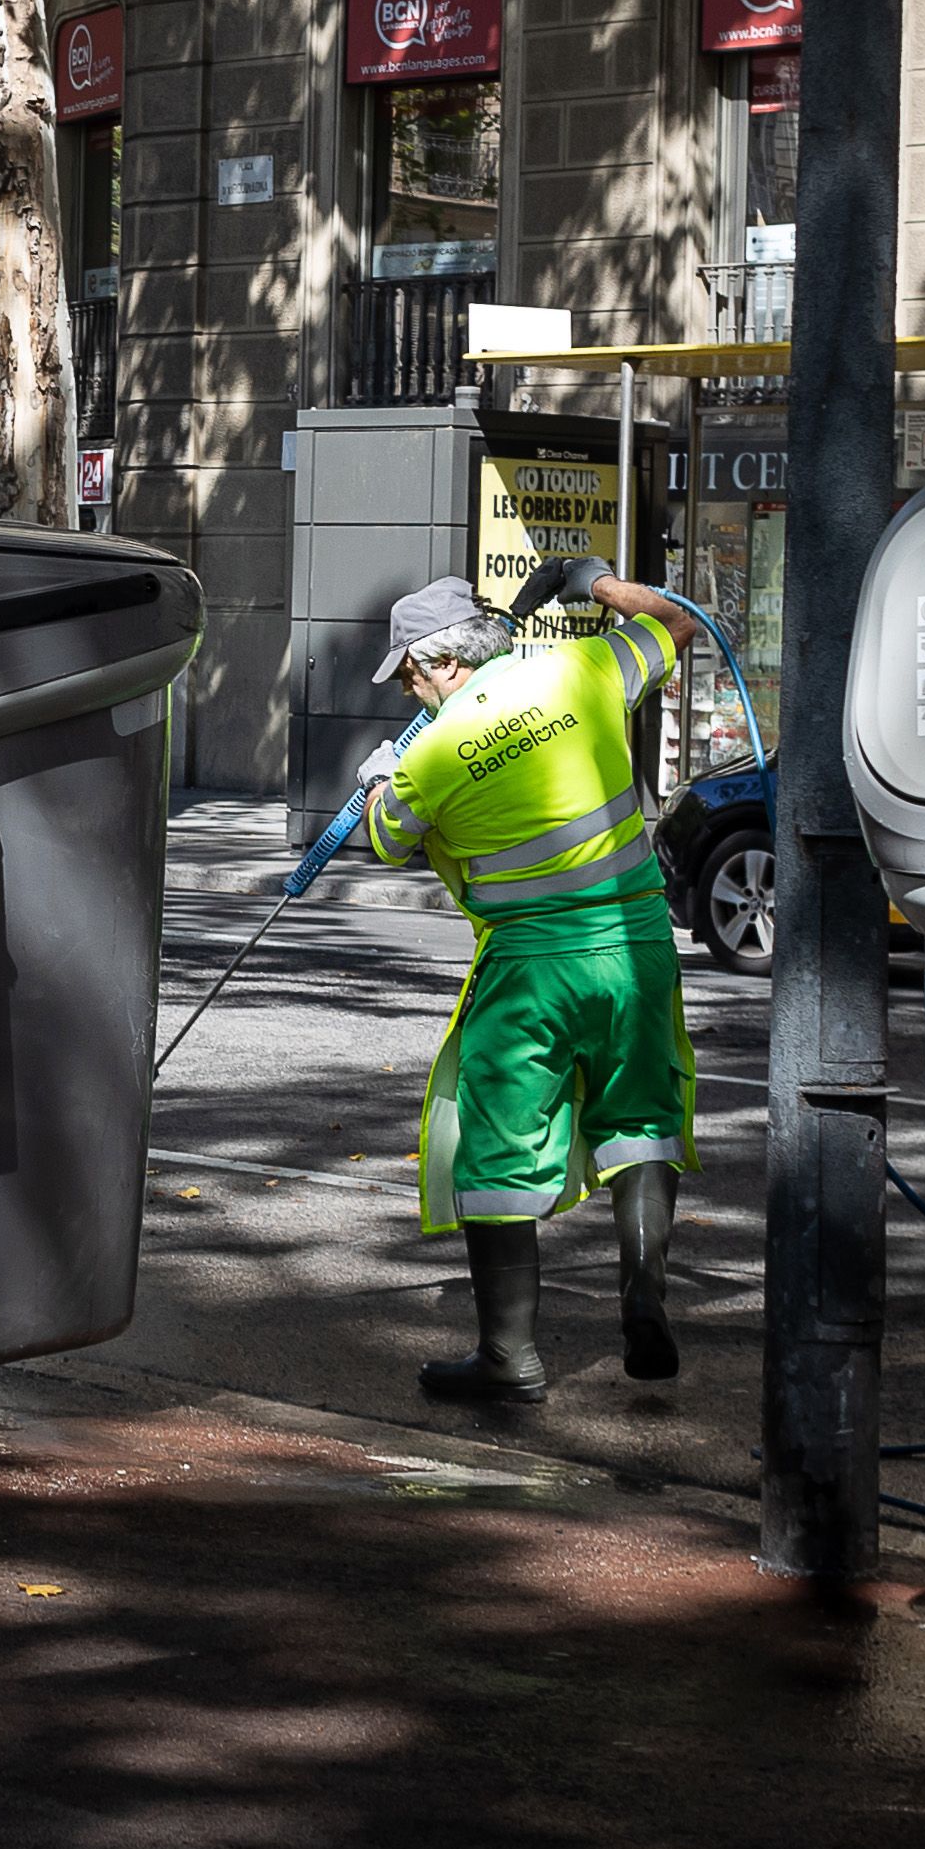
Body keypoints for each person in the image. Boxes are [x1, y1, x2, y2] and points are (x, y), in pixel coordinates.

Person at [357, 555, 703, 1404]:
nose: (410, 697)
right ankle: (643, 1291)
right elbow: (679, 623)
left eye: (409, 678)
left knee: (497, 1151)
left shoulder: (430, 755)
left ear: (442, 662)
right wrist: (593, 582)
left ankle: (509, 1359)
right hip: (634, 944)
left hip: (528, 967)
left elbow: (383, 838)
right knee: (640, 1120)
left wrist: (374, 780)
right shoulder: (582, 669)